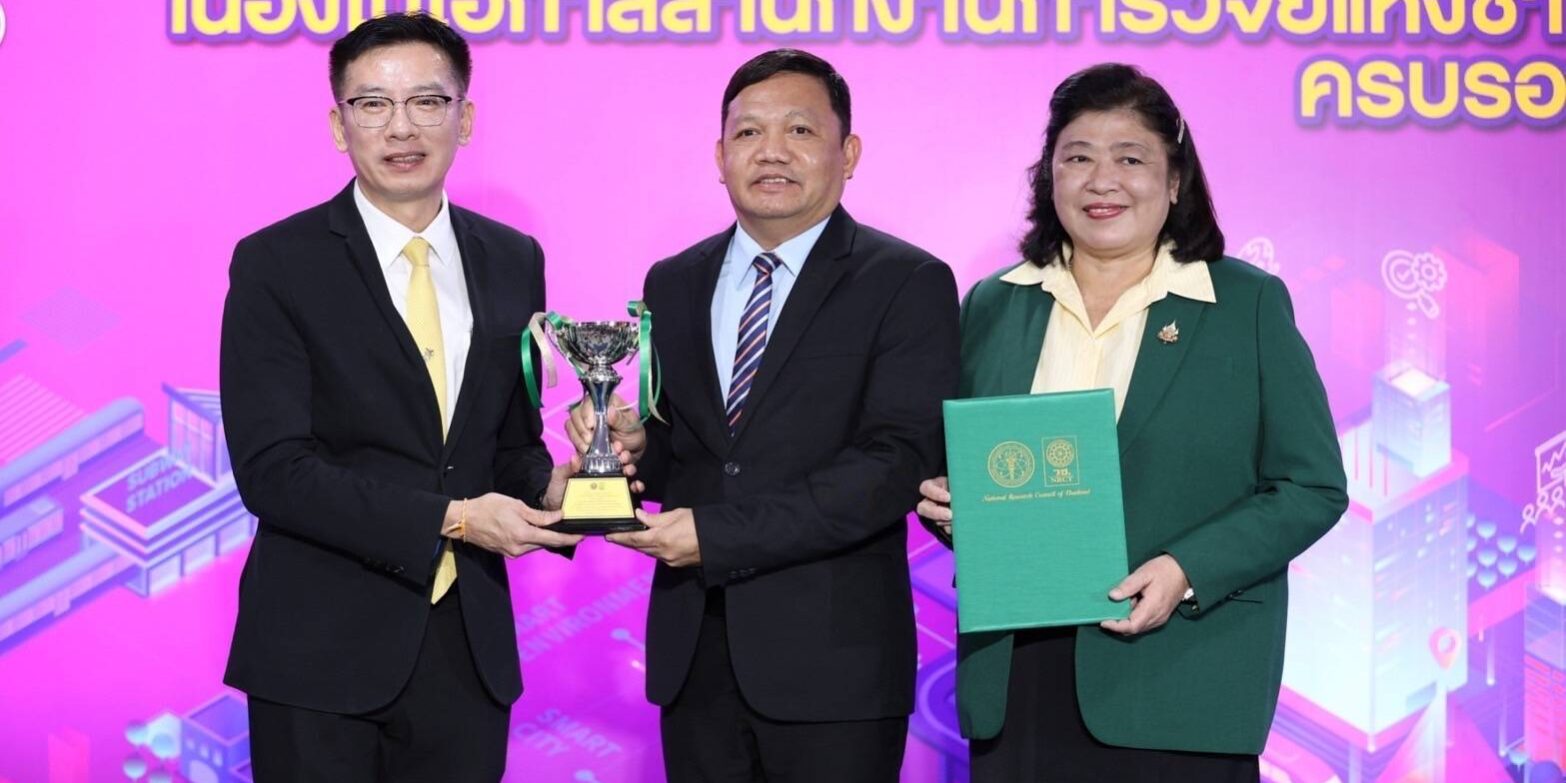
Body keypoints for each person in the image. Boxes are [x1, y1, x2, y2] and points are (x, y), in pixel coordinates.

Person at [916, 63, 1349, 782]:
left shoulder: (1244, 305)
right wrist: (959, 512)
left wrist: (1186, 570)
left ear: (1175, 180)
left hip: (1179, 677)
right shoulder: (993, 304)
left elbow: (1311, 486)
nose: (1101, 181)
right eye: (1077, 158)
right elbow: (964, 470)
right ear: (1048, 176)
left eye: (1130, 159)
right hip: (1018, 680)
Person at [567, 49, 960, 782]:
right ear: (720, 156)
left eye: (799, 131)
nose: (771, 151)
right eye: (748, 133)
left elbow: (894, 464)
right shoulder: (673, 280)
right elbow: (692, 452)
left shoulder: (907, 281)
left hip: (834, 667)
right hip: (694, 654)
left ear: (849, 153)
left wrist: (717, 536)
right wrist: (631, 446)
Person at [219, 13, 581, 781]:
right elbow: (274, 471)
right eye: (372, 104)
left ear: (465, 118)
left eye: (427, 101)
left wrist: (563, 484)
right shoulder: (277, 263)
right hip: (317, 652)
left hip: (466, 650)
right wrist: (454, 518)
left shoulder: (512, 258)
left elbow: (506, 446)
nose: (401, 127)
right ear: (338, 125)